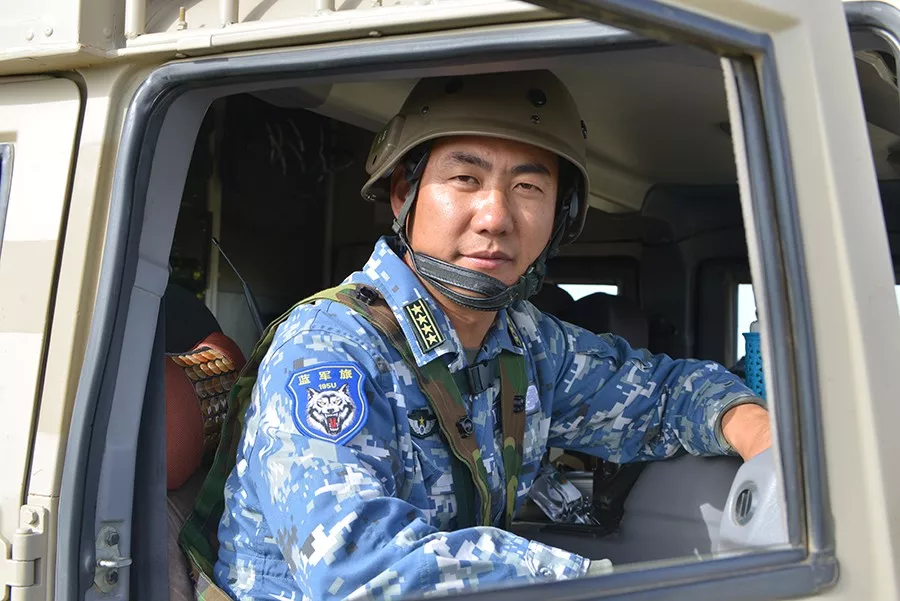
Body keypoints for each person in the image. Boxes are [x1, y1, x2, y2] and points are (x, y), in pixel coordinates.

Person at [211, 70, 771, 601]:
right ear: (405, 194)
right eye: (465, 179)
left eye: (528, 186)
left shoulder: (524, 343)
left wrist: (763, 438)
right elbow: (357, 570)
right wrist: (586, 583)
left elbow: (662, 393)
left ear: (562, 214)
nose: (495, 216)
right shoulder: (329, 348)